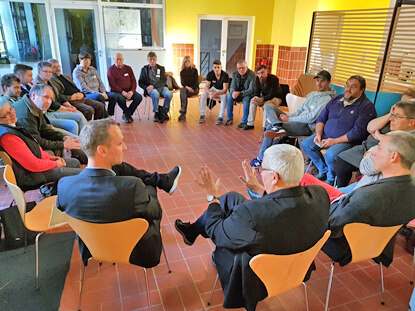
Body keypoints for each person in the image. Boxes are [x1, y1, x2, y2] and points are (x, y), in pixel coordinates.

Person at [174, 144, 330, 310]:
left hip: (258, 277)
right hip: (298, 266)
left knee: (220, 206)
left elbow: (217, 232)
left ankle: (194, 231)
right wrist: (261, 189)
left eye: (262, 169)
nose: (260, 172)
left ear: (274, 177)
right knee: (231, 198)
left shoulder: (251, 215)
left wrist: (212, 196)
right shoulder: (320, 195)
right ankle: (193, 231)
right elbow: (287, 206)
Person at [57, 118, 182, 268]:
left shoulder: (64, 185)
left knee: (119, 167)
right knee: (148, 186)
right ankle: (159, 181)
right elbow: (156, 212)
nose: (125, 147)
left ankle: (162, 180)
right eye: (120, 143)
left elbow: (62, 209)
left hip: (92, 247)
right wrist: (148, 187)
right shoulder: (133, 187)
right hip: (137, 251)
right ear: (102, 150)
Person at [322, 131, 415, 267]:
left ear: (394, 156)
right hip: (380, 246)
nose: (374, 153)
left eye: (379, 148)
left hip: (348, 247)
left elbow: (331, 225)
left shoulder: (368, 196)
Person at [250, 70, 335, 168]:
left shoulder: (327, 99)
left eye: (322, 81)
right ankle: (277, 126)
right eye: (317, 81)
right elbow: (300, 109)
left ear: (328, 82)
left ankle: (261, 158)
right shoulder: (312, 94)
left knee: (269, 127)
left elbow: (311, 118)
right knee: (268, 106)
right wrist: (289, 116)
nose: (319, 84)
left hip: (306, 126)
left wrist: (289, 119)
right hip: (296, 120)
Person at [301, 75, 376, 185]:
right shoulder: (337, 99)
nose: (348, 89)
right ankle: (324, 170)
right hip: (325, 135)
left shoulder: (366, 106)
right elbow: (321, 118)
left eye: (353, 87)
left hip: (348, 141)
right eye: (347, 85)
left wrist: (335, 141)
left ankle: (331, 179)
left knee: (330, 155)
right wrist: (318, 134)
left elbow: (358, 133)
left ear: (362, 90)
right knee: (306, 145)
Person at [0, 97, 81, 191]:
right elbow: (32, 165)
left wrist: (50, 158)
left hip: (35, 167)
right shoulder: (8, 137)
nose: (12, 113)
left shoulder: (13, 124)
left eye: (10, 108)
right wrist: (55, 163)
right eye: (6, 114)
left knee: (75, 162)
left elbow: (34, 147)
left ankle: (61, 191)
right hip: (30, 175)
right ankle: (61, 196)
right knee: (80, 175)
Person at [335, 95, 415, 187]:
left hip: (371, 184)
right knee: (341, 159)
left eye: (397, 116)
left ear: (411, 122)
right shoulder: (397, 128)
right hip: (367, 151)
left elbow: (366, 167)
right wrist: (391, 113)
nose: (391, 119)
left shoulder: (404, 141)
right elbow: (370, 127)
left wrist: (371, 151)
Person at [13, 84, 84, 161]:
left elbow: (44, 129)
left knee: (75, 142)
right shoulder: (25, 114)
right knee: (55, 155)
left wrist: (63, 137)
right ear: (33, 95)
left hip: (34, 145)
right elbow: (36, 142)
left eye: (51, 99)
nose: (49, 102)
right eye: (46, 97)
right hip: (27, 152)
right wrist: (63, 145)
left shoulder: (35, 105)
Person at [72, 52, 131, 123]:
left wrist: (103, 92)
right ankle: (107, 120)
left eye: (89, 60)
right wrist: (98, 93)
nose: (87, 61)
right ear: (80, 60)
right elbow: (83, 87)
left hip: (99, 92)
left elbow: (100, 82)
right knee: (99, 97)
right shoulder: (77, 72)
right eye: (85, 60)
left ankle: (109, 115)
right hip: (87, 94)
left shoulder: (93, 69)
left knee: (114, 95)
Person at [34, 61, 87, 136]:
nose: (49, 74)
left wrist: (69, 106)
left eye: (50, 71)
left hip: (57, 109)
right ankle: (81, 141)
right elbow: (51, 104)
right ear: (39, 72)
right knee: (75, 121)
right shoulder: (38, 85)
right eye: (46, 71)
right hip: (50, 112)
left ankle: (84, 138)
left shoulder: (50, 82)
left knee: (78, 114)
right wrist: (67, 109)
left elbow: (60, 96)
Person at [107, 52, 142, 123]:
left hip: (129, 91)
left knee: (139, 97)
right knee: (121, 98)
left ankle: (127, 114)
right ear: (114, 60)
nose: (119, 61)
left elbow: (134, 81)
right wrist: (123, 92)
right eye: (117, 59)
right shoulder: (110, 70)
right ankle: (127, 114)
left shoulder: (128, 68)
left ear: (123, 59)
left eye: (120, 59)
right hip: (118, 92)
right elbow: (113, 85)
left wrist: (132, 91)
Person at [245, 65, 283, 130]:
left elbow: (272, 94)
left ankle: (265, 126)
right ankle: (250, 124)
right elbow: (257, 91)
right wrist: (256, 97)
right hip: (265, 98)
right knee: (253, 101)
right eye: (259, 73)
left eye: (262, 72)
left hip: (276, 98)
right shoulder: (257, 79)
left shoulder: (274, 79)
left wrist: (262, 99)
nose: (260, 75)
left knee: (266, 105)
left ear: (266, 72)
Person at [138, 51, 172, 123]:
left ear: (156, 59)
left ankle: (164, 111)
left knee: (169, 94)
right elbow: (140, 82)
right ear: (148, 60)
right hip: (151, 90)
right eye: (150, 59)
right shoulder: (144, 69)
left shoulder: (161, 68)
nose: (152, 61)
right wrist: (147, 87)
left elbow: (163, 80)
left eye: (153, 59)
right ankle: (156, 113)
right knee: (155, 94)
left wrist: (153, 86)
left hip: (161, 87)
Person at [225, 60, 256, 127]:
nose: (241, 70)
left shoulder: (252, 75)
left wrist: (239, 93)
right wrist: (233, 92)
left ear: (247, 67)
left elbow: (251, 90)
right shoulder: (235, 74)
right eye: (239, 68)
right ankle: (229, 119)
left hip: (247, 94)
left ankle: (244, 121)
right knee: (229, 97)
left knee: (246, 100)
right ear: (237, 68)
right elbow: (232, 86)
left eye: (243, 68)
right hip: (237, 93)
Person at [199, 60, 229, 124]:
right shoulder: (210, 74)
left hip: (221, 91)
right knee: (203, 94)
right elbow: (206, 87)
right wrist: (209, 93)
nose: (216, 69)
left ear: (221, 67)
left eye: (218, 67)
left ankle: (221, 117)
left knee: (224, 97)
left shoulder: (225, 75)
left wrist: (216, 94)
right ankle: (202, 115)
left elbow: (225, 90)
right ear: (213, 68)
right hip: (213, 89)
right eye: (215, 67)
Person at [178, 56, 199, 121]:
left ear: (191, 62)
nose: (187, 63)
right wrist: (187, 87)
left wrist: (192, 88)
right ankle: (183, 110)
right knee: (182, 90)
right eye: (185, 62)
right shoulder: (182, 72)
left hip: (194, 88)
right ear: (183, 63)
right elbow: (182, 83)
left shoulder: (195, 70)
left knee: (183, 93)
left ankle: (183, 113)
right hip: (187, 89)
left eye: (188, 61)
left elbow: (196, 82)